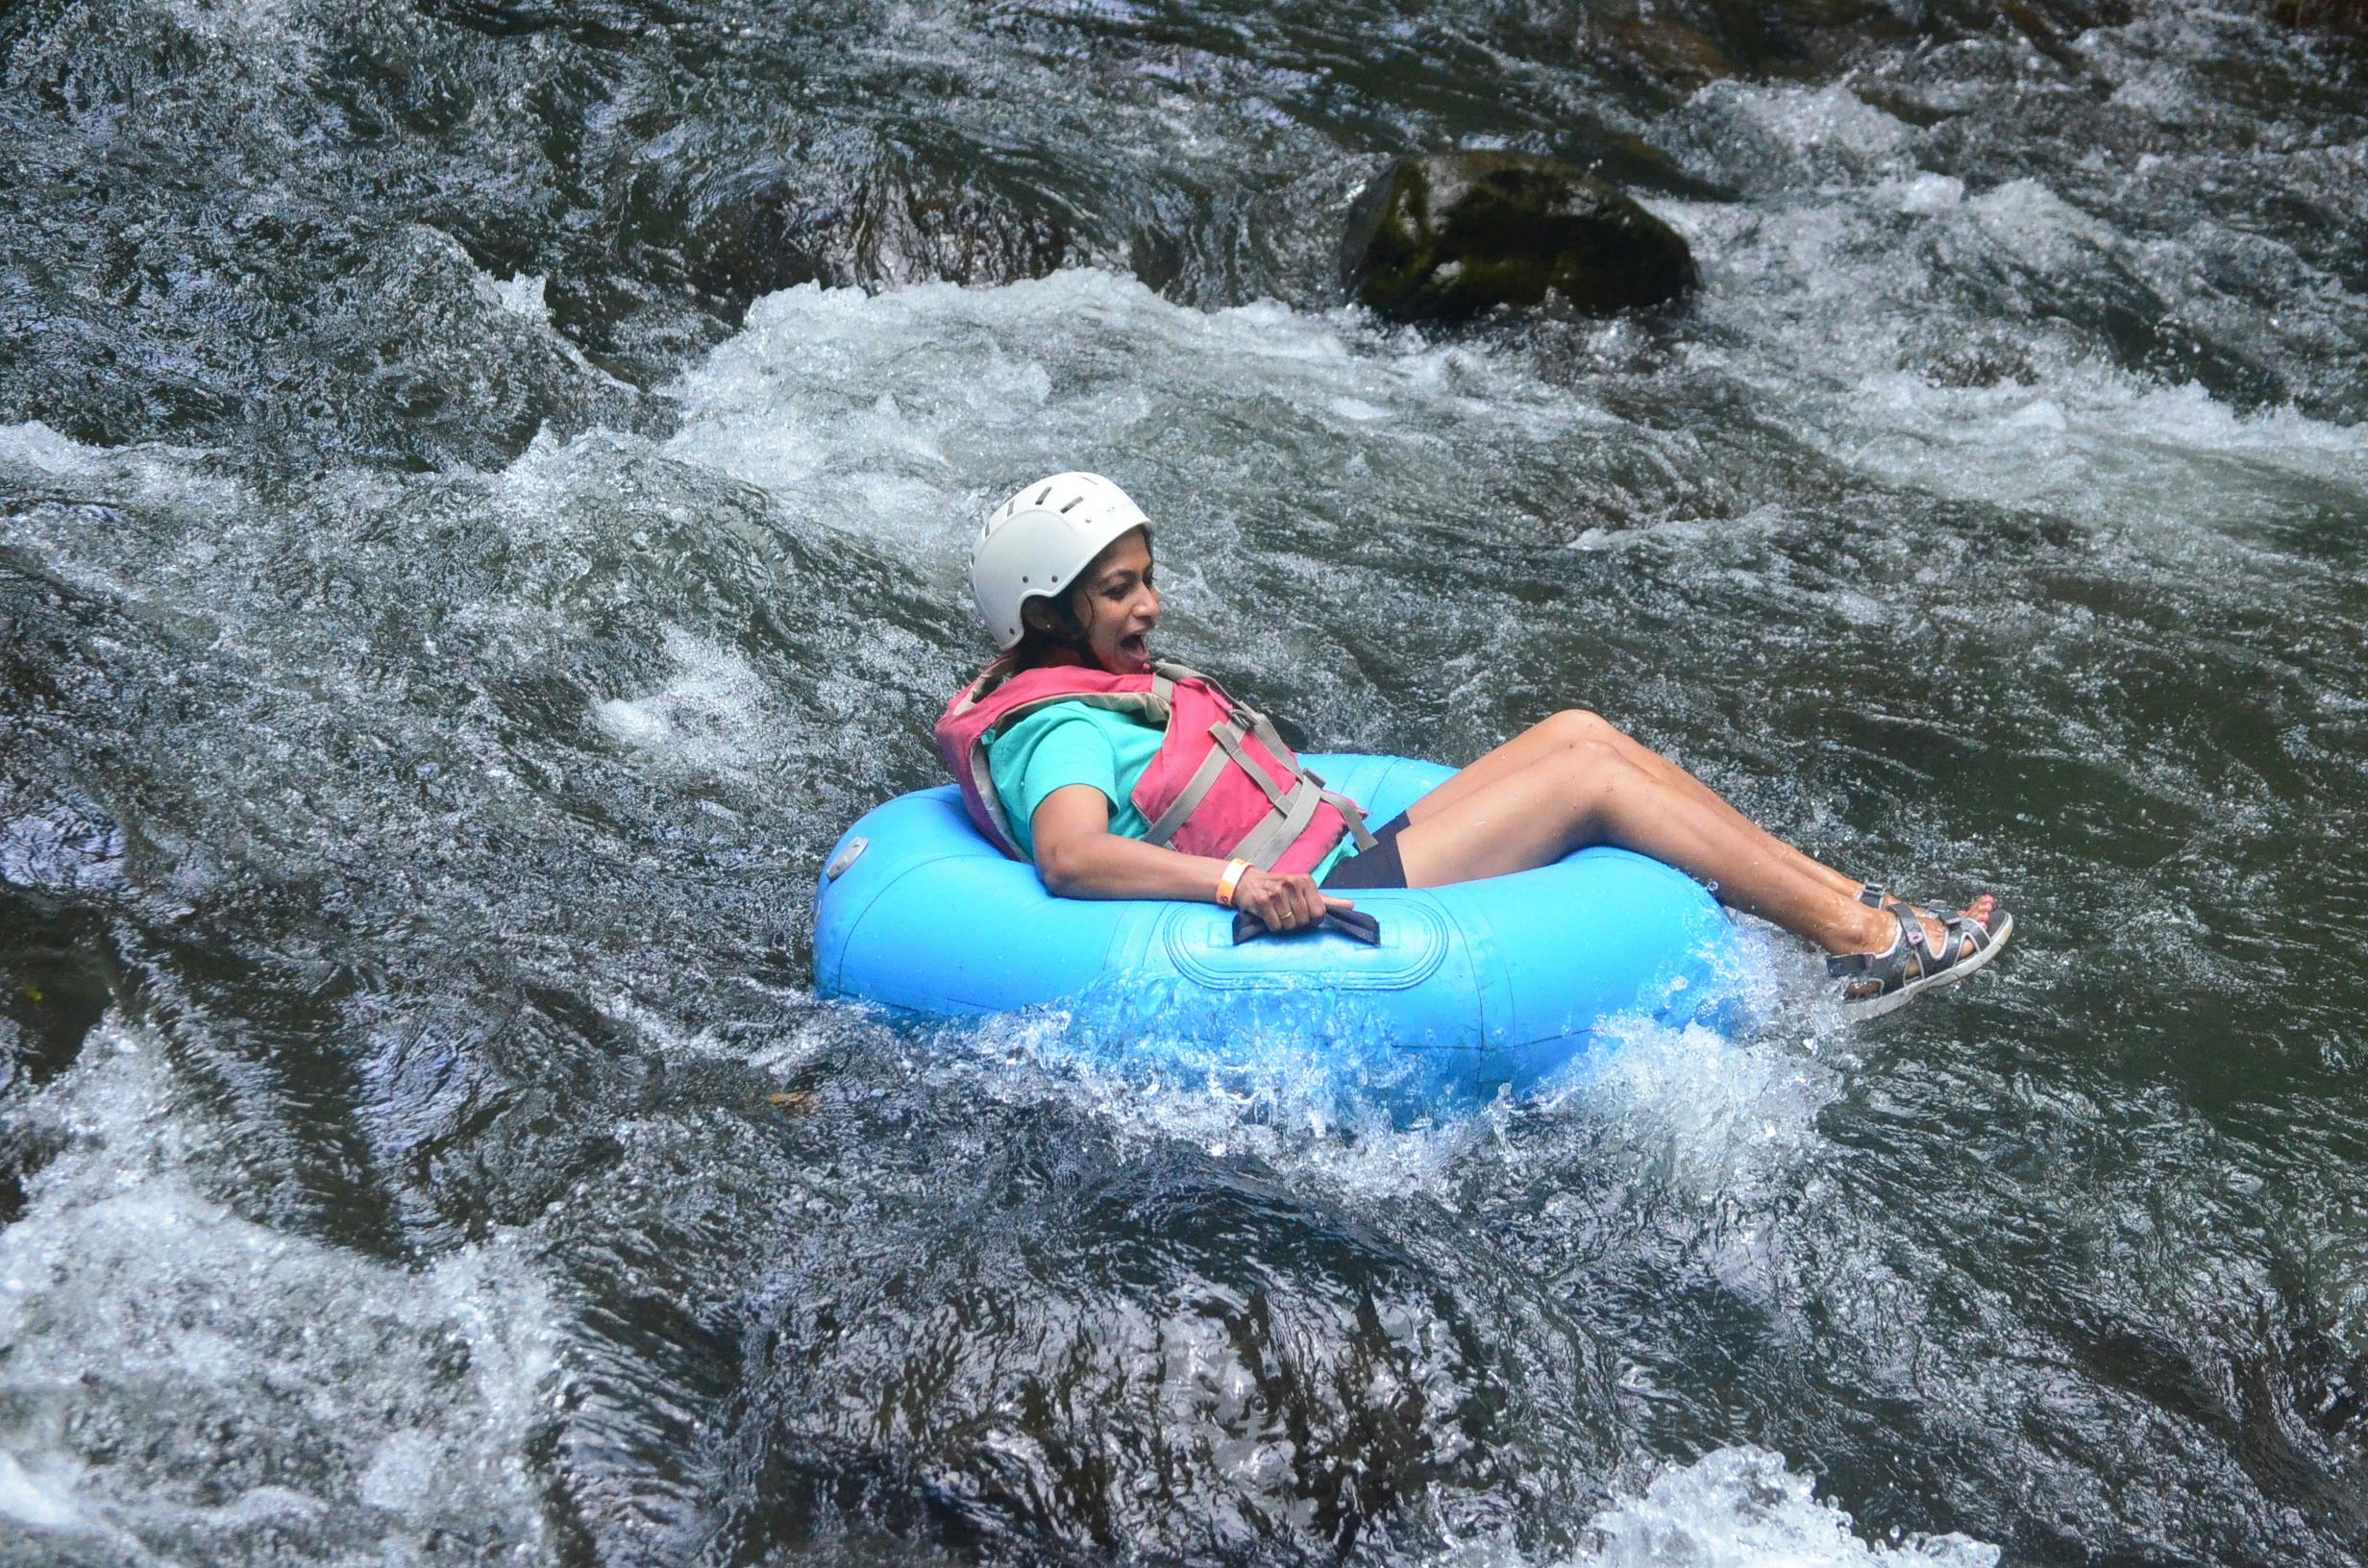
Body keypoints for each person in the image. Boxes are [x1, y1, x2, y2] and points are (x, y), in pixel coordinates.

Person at [934, 473, 2010, 1016]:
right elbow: (1070, 856)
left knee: (1577, 730)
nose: (1151, 607)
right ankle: (1864, 946)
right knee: (1587, 775)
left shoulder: (1092, 685)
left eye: (1146, 578)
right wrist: (1235, 883)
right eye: (1118, 591)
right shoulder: (1062, 723)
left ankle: (1865, 914)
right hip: (1315, 901)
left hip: (1333, 859)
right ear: (1043, 618)